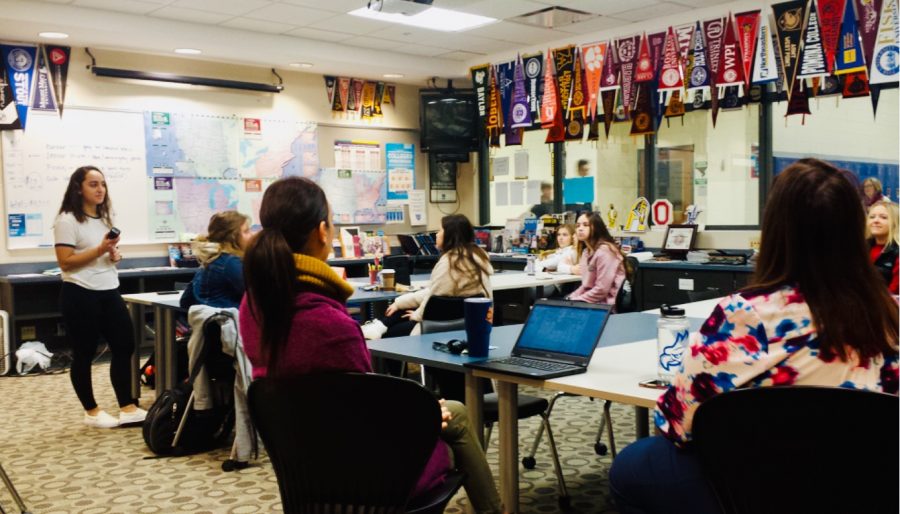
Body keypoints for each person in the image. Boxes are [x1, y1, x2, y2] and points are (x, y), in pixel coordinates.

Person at [608, 158, 899, 514]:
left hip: (759, 487)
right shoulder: (889, 315)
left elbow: (677, 422)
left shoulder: (744, 315)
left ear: (776, 231)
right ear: (856, 232)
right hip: (867, 486)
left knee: (633, 465)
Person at [239, 177, 502, 513]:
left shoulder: (253, 308)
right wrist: (419, 417)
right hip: (368, 473)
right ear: (323, 231)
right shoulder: (332, 326)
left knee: (454, 410)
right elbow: (367, 420)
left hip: (304, 466)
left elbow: (349, 406)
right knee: (458, 417)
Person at [54, 166, 145, 428]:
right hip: (80, 293)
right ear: (78, 188)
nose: (100, 189)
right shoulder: (67, 220)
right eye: (93, 184)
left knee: (125, 345)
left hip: (108, 289)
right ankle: (91, 411)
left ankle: (128, 407)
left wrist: (113, 255)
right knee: (84, 352)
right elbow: (65, 262)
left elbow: (102, 255)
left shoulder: (104, 219)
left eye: (103, 184)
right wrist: (100, 249)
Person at [361, 214, 492, 340]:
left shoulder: (449, 262)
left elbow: (434, 299)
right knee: (401, 309)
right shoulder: (478, 257)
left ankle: (379, 327)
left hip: (438, 325)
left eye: (440, 230)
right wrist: (399, 303)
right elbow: (439, 293)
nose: (437, 234)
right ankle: (379, 325)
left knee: (389, 335)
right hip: (465, 321)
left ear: (450, 235)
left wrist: (417, 315)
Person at [180, 210, 252, 309]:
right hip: (229, 321)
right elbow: (255, 298)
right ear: (233, 237)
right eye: (246, 231)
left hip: (208, 322)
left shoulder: (208, 261)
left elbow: (185, 301)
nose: (251, 235)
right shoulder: (230, 263)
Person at [566, 212, 626, 305]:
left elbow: (602, 289)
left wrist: (577, 301)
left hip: (607, 305)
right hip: (592, 302)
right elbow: (585, 286)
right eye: (577, 226)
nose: (580, 229)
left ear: (596, 228)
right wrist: (570, 298)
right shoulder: (586, 252)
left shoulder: (606, 251)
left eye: (585, 225)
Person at [867, 199, 899, 294]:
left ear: (895, 222)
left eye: (883, 217)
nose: (876, 221)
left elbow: (894, 292)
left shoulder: (897, 252)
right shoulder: (862, 247)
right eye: (872, 217)